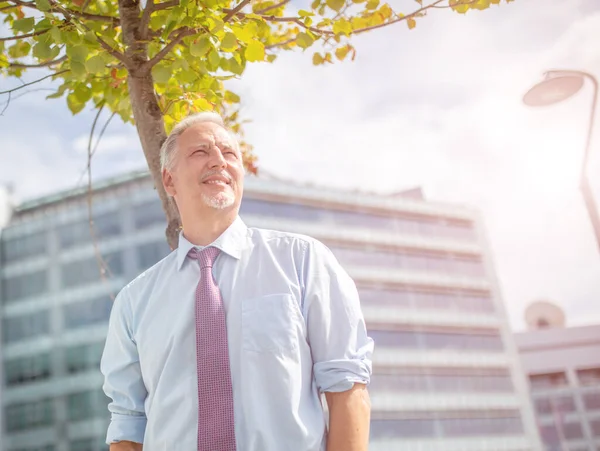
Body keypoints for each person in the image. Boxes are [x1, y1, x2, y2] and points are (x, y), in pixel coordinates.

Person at [100, 112, 374, 451]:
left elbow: (347, 388)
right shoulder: (134, 302)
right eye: (201, 152)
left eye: (229, 153)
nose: (218, 160)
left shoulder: (304, 262)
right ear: (169, 181)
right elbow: (128, 423)